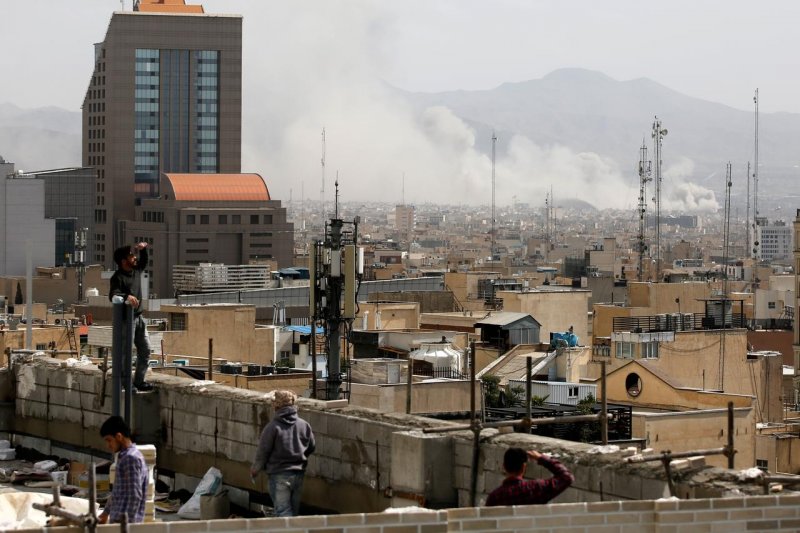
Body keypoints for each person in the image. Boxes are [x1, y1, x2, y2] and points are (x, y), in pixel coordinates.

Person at [250, 390, 315, 517]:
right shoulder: (304, 425)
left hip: (279, 474)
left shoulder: (273, 427)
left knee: (283, 512)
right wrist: (300, 457)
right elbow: (311, 446)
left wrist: (255, 469)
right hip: (298, 474)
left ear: (276, 406)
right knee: (293, 513)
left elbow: (263, 451)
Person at [109, 242, 152, 391]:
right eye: (131, 256)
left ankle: (139, 381)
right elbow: (113, 294)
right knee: (125, 353)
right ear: (123, 261)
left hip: (139, 317)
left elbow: (144, 262)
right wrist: (127, 296)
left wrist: (143, 250)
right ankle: (125, 383)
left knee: (145, 350)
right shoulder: (118, 277)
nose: (134, 258)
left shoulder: (136, 270)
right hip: (127, 320)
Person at [98, 416, 149, 524]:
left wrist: (127, 525)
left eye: (109, 440)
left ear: (119, 436)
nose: (108, 445)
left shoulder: (130, 458)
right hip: (118, 523)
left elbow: (134, 496)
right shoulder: (125, 456)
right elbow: (117, 491)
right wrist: (105, 513)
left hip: (124, 525)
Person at [485, 448, 574, 506]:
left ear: (504, 466)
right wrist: (541, 458)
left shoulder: (495, 497)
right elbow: (566, 477)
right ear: (524, 467)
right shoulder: (536, 488)